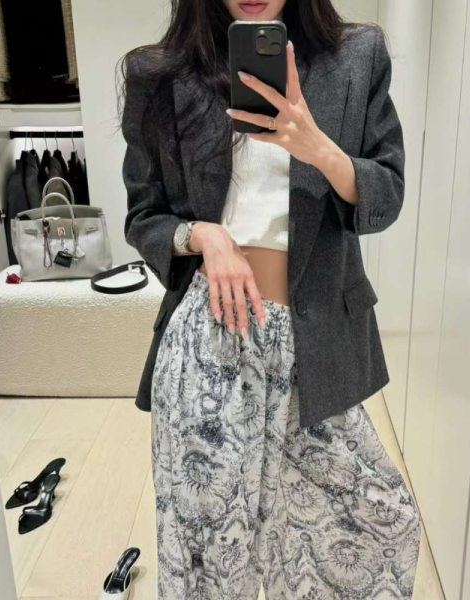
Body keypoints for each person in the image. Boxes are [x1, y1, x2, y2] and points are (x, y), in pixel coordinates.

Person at [119, 0, 421, 598]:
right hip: (210, 339)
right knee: (215, 555)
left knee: (377, 526)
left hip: (315, 341)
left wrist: (319, 149)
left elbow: (386, 193)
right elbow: (144, 216)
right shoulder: (160, 74)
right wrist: (201, 237)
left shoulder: (357, 56)